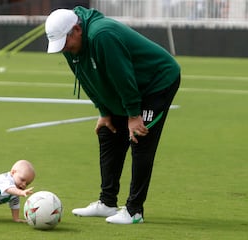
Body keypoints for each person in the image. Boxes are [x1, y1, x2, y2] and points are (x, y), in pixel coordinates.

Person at [45, 7, 181, 224]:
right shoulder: (71, 48)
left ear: (77, 29)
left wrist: (134, 114)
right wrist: (104, 111)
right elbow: (87, 79)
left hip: (156, 81)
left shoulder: (102, 35)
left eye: (65, 42)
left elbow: (122, 76)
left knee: (139, 137)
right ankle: (108, 203)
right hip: (133, 87)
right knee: (108, 133)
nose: (64, 49)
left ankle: (134, 210)